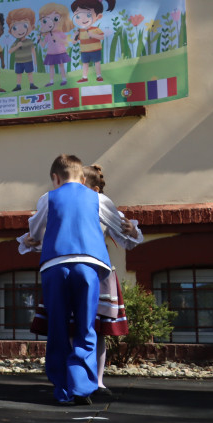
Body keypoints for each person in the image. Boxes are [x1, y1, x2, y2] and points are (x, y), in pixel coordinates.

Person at [24, 163, 142, 398]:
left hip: (97, 273)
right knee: (73, 327)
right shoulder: (60, 203)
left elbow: (127, 236)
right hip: (73, 269)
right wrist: (30, 241)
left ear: (91, 189)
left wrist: (132, 230)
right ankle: (74, 382)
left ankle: (95, 381)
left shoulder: (99, 204)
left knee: (96, 330)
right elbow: (45, 235)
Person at [18, 154, 111, 405]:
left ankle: (62, 389)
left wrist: (29, 240)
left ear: (55, 178)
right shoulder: (97, 198)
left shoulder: (48, 198)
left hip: (55, 265)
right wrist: (133, 230)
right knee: (85, 326)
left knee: (58, 327)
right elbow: (120, 226)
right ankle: (82, 386)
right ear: (83, 179)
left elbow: (36, 231)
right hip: (88, 264)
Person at [71, 0, 116, 83]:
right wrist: (75, 36)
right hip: (84, 51)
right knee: (85, 64)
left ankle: (99, 76)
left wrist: (93, 35)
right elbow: (74, 42)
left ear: (98, 17)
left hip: (95, 50)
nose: (82, 19)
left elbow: (102, 37)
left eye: (88, 15)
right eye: (78, 16)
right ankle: (84, 77)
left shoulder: (95, 29)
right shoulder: (80, 30)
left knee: (97, 63)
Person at [38, 2, 73, 87]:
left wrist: (58, 39)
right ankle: (51, 81)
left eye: (55, 19)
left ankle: (64, 79)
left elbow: (66, 42)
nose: (51, 23)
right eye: (46, 20)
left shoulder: (60, 33)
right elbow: (43, 45)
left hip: (60, 53)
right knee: (51, 67)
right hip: (51, 54)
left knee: (61, 66)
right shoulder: (47, 35)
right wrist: (39, 40)